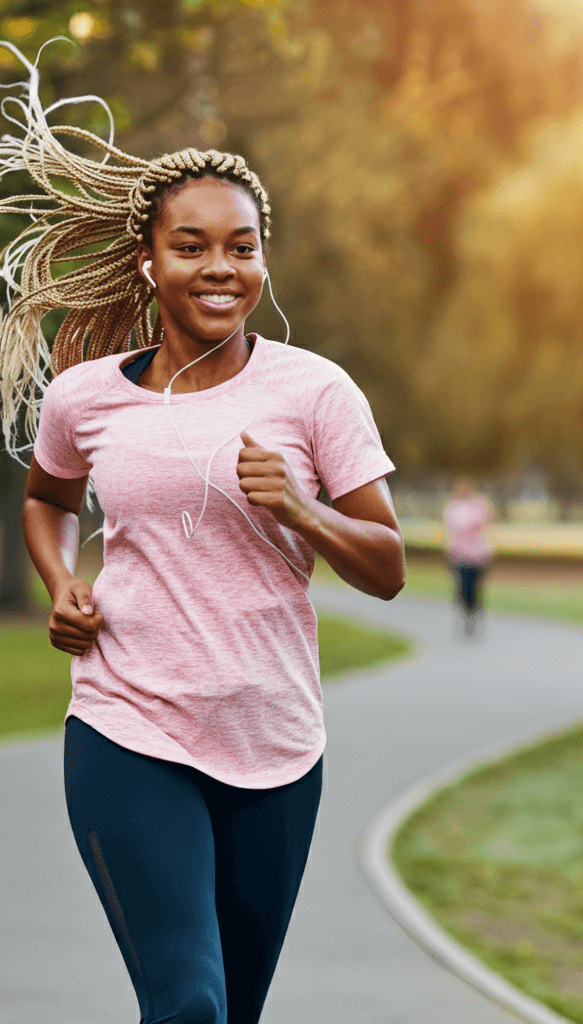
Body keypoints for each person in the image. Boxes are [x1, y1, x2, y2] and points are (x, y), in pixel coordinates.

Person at [3, 44, 405, 1024]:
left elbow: (389, 567)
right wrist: (61, 582)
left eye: (242, 245)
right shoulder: (88, 395)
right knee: (188, 1004)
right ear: (150, 258)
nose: (220, 267)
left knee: (231, 1013)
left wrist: (304, 511)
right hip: (128, 728)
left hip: (276, 744)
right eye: (192, 245)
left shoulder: (316, 392)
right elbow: (48, 497)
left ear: (262, 256)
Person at [442, 477, 494, 636]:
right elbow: (452, 527)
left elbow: (485, 522)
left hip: (479, 554)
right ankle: (466, 614)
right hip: (459, 554)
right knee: (462, 588)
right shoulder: (452, 506)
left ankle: (475, 612)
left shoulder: (481, 505)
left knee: (476, 587)